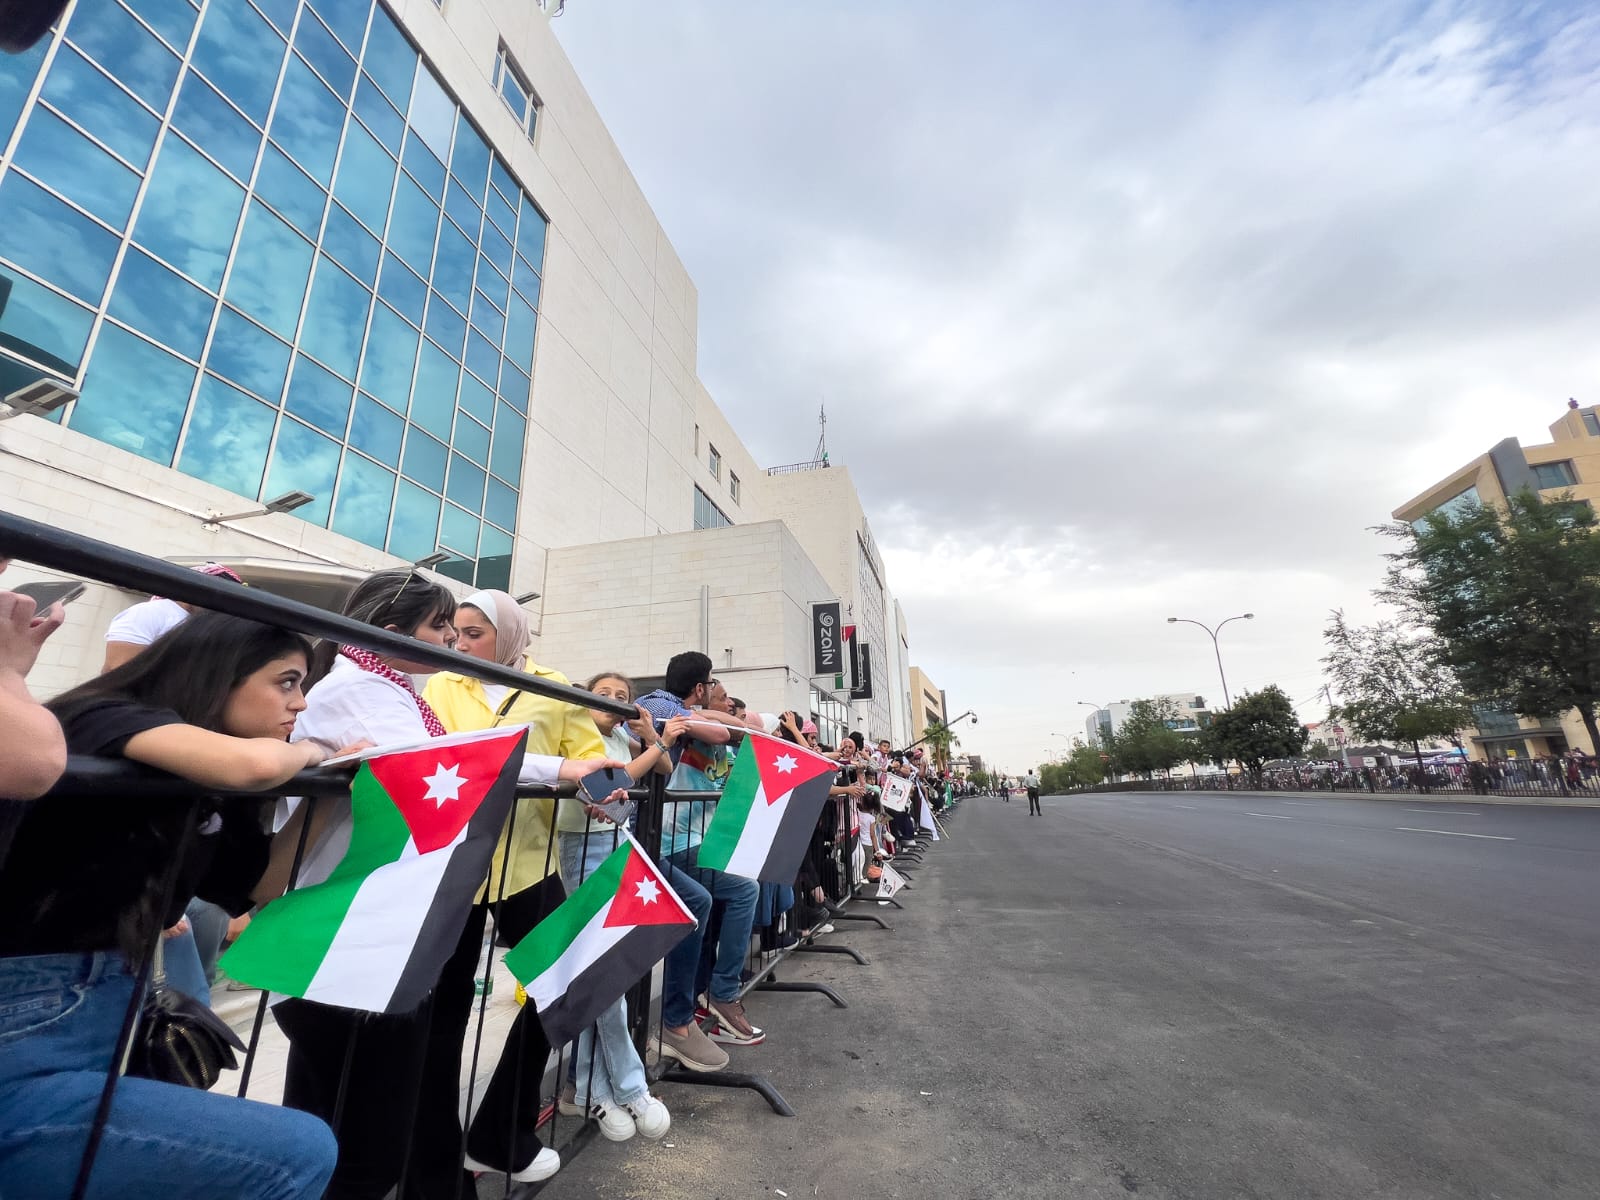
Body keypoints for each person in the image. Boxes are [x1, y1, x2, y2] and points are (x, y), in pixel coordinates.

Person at [273, 572, 617, 1197]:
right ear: (392, 634)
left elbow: (457, 753)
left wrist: (566, 764)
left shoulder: (396, 687)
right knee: (361, 1138)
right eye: (443, 630)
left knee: (351, 1115)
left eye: (467, 633)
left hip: (425, 902)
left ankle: (454, 1165)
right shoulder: (367, 691)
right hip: (363, 926)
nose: (454, 644)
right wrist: (555, 766)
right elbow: (450, 766)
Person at [0, 612, 356, 1200]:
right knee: (294, 1154)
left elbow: (259, 884)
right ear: (221, 674)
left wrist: (337, 797)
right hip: (28, 1004)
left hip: (100, 998)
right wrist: (317, 752)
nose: (299, 705)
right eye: (286, 682)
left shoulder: (208, 779)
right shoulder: (109, 716)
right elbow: (257, 766)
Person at [424, 594, 656, 1159]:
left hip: (527, 863)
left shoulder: (557, 689)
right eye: (456, 633)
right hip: (451, 867)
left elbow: (590, 760)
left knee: (565, 984)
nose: (461, 644)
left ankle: (503, 1129)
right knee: (445, 1007)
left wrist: (603, 790)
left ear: (509, 634)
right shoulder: (441, 684)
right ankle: (433, 1147)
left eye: (475, 634)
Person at [550, 671, 682, 1141]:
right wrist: (659, 742)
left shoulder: (624, 736)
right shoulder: (574, 725)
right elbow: (618, 780)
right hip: (582, 845)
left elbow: (660, 771)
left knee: (604, 968)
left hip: (616, 841)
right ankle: (627, 1084)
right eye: (602, 694)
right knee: (601, 966)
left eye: (622, 697)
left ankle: (590, 1088)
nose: (611, 702)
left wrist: (649, 736)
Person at [637, 651, 763, 1062]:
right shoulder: (661, 705)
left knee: (720, 902)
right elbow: (724, 733)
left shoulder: (694, 716)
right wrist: (722, 723)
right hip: (669, 840)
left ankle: (698, 1002)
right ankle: (711, 998)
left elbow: (735, 733)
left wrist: (728, 722)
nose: (725, 702)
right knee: (733, 894)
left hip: (695, 840)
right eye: (717, 691)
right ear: (699, 688)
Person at [101, 562, 245, 672]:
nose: (221, 604)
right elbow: (118, 669)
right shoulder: (150, 613)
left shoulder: (210, 626)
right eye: (217, 594)